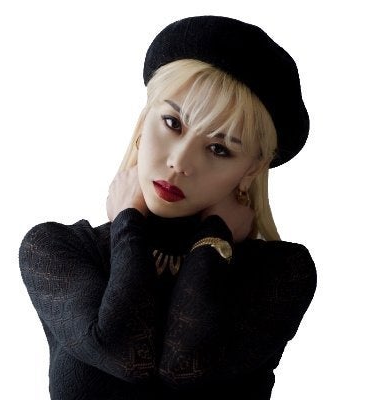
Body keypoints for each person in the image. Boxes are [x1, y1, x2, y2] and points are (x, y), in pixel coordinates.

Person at [18, 15, 317, 400]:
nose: (179, 162)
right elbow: (125, 354)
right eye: (173, 123)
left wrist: (212, 242)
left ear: (251, 170)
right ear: (145, 120)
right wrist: (128, 224)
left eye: (218, 148)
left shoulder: (281, 272)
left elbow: (185, 365)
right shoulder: (57, 249)